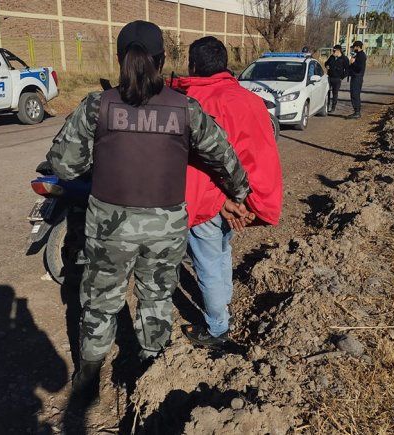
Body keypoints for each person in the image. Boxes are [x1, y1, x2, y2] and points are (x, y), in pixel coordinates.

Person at [45, 21, 250, 402]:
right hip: (166, 228)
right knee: (156, 299)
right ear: (162, 60)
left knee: (100, 303)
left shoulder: (97, 105)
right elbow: (223, 155)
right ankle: (150, 375)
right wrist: (239, 191)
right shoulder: (186, 108)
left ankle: (87, 383)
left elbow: (63, 165)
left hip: (109, 227)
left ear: (121, 58)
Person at [168, 36, 283, 348]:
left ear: (193, 65)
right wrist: (246, 200)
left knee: (206, 263)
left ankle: (218, 329)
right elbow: (260, 154)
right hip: (237, 198)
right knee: (220, 253)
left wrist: (219, 201)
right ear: (223, 63)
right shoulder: (247, 98)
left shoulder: (194, 102)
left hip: (209, 200)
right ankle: (224, 308)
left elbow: (191, 163)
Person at [324, 44, 349, 113]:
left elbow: (347, 70)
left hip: (337, 79)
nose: (333, 52)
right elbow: (326, 63)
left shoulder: (344, 59)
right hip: (330, 77)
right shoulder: (331, 57)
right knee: (327, 92)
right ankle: (327, 106)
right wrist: (327, 66)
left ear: (338, 51)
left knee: (335, 93)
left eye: (334, 50)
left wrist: (341, 77)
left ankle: (333, 108)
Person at [346, 40, 367, 119]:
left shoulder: (361, 56)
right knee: (353, 94)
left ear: (358, 47)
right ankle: (356, 111)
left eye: (354, 47)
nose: (353, 49)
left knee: (355, 94)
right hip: (354, 76)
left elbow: (359, 68)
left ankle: (357, 112)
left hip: (357, 77)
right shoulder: (357, 55)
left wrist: (353, 62)